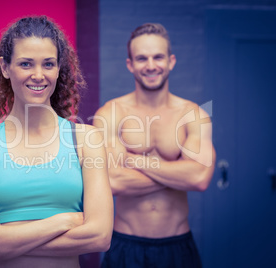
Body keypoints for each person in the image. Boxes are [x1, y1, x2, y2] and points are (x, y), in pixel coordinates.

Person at [0, 16, 113, 268]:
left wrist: (6, 236)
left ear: (59, 68)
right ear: (5, 68)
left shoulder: (87, 140)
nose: (38, 75)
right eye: (26, 64)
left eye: (48, 64)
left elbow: (99, 237)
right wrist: (63, 222)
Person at [93, 23, 216, 268]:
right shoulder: (111, 114)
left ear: (171, 61)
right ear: (130, 64)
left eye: (158, 57)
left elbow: (199, 178)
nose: (151, 66)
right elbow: (111, 182)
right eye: (142, 58)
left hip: (177, 246)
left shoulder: (192, 114)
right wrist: (177, 170)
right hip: (125, 245)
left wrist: (134, 160)